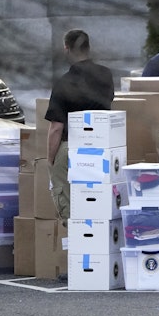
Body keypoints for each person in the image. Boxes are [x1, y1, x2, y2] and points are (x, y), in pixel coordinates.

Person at [45, 29, 115, 221]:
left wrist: (50, 160)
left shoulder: (63, 83)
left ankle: (75, 227)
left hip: (72, 147)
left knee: (63, 190)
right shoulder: (106, 76)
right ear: (89, 48)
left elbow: (56, 127)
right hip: (102, 145)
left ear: (66, 49)